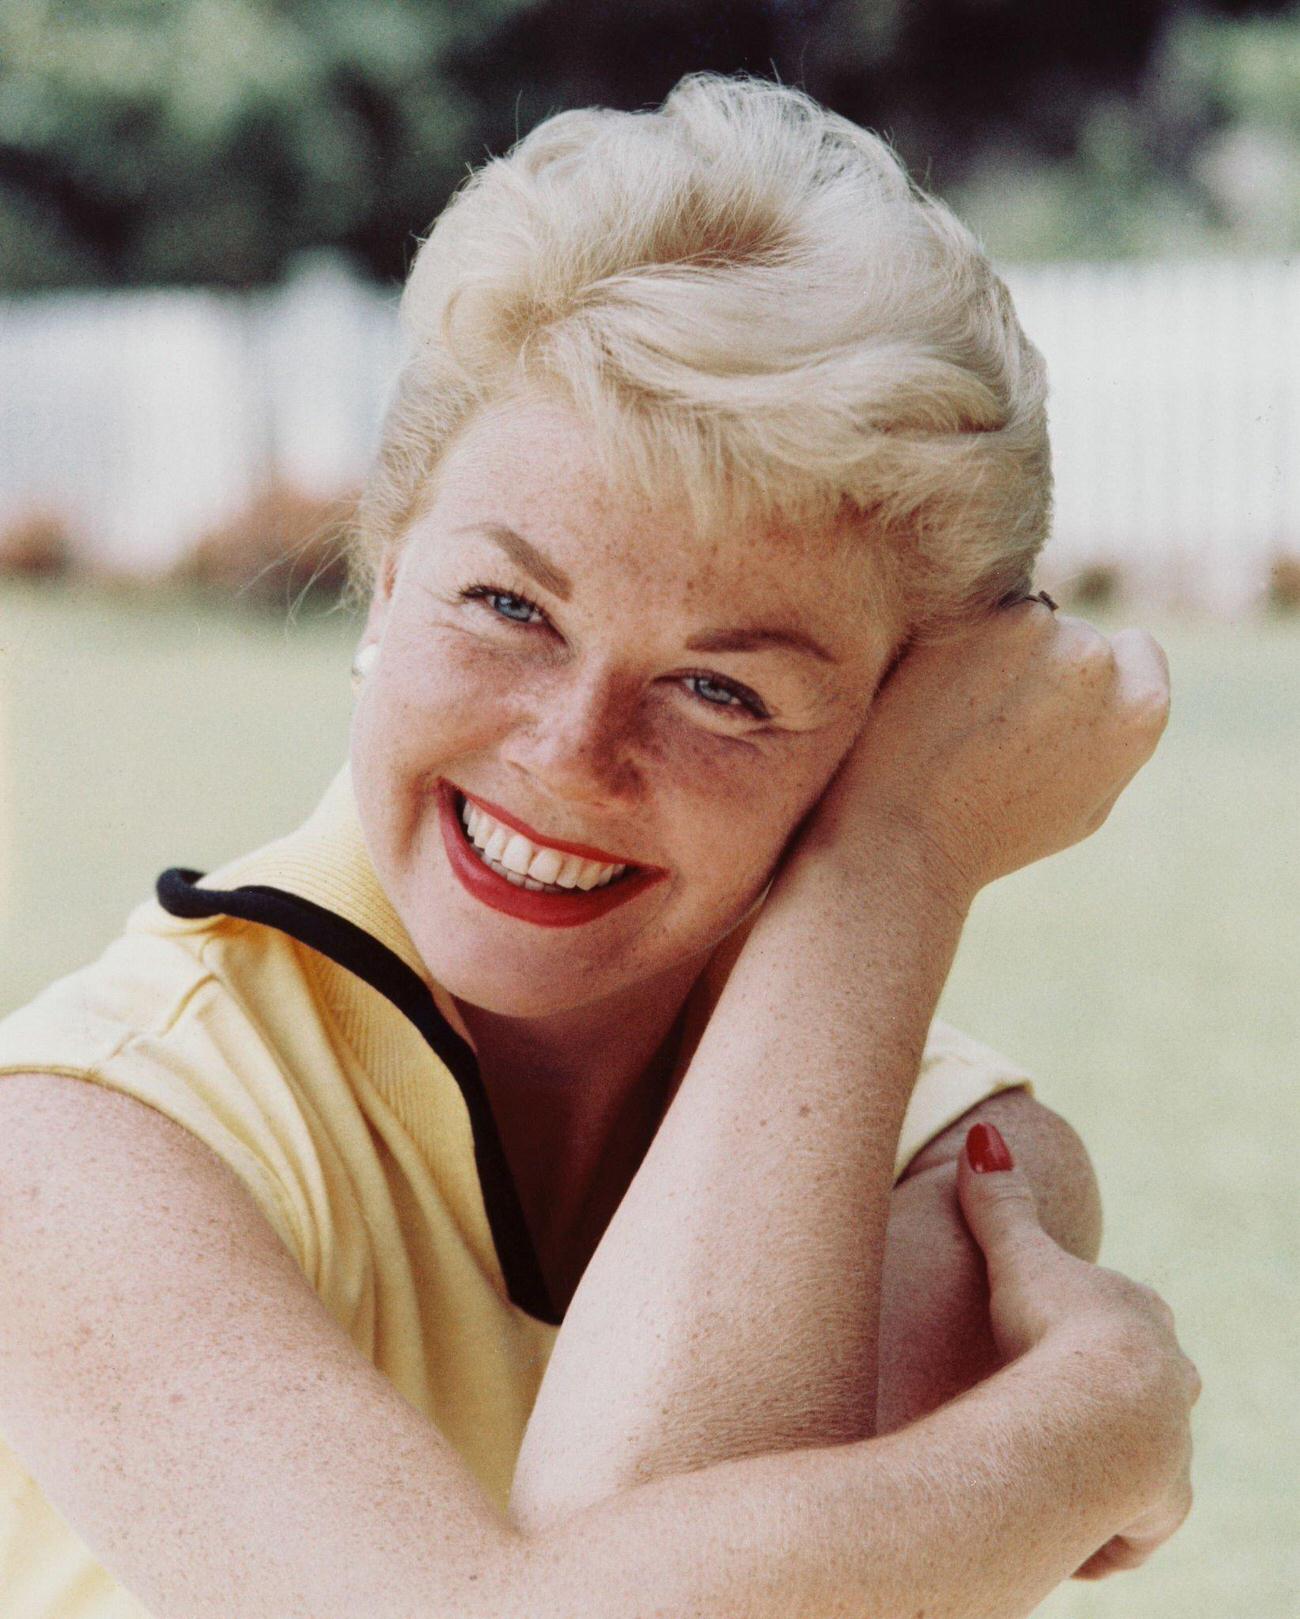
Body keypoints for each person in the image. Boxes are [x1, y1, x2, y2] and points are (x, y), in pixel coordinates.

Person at [0, 73, 1197, 1618]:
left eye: (725, 692)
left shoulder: (956, 1162)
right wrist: (1080, 1445)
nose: (571, 751)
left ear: (901, 731)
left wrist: (888, 860)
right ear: (386, 576)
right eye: (508, 605)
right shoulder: (79, 1148)